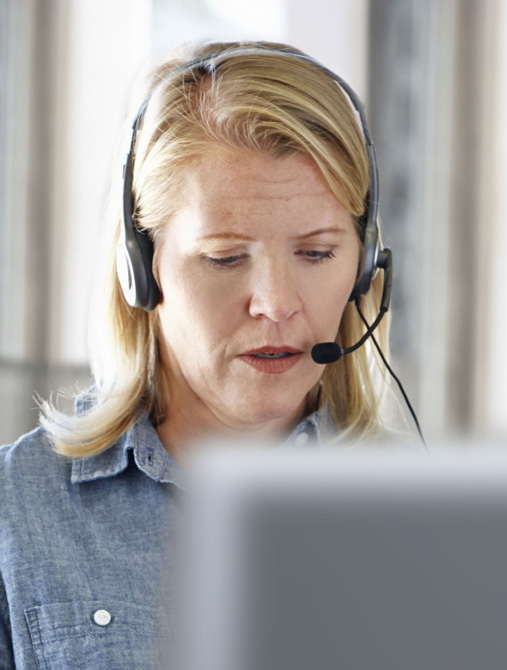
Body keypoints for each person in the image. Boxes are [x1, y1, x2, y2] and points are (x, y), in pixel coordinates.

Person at [0, 41, 402, 669]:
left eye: (318, 253)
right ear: (141, 269)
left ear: (364, 267)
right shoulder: (16, 514)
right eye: (224, 257)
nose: (274, 303)